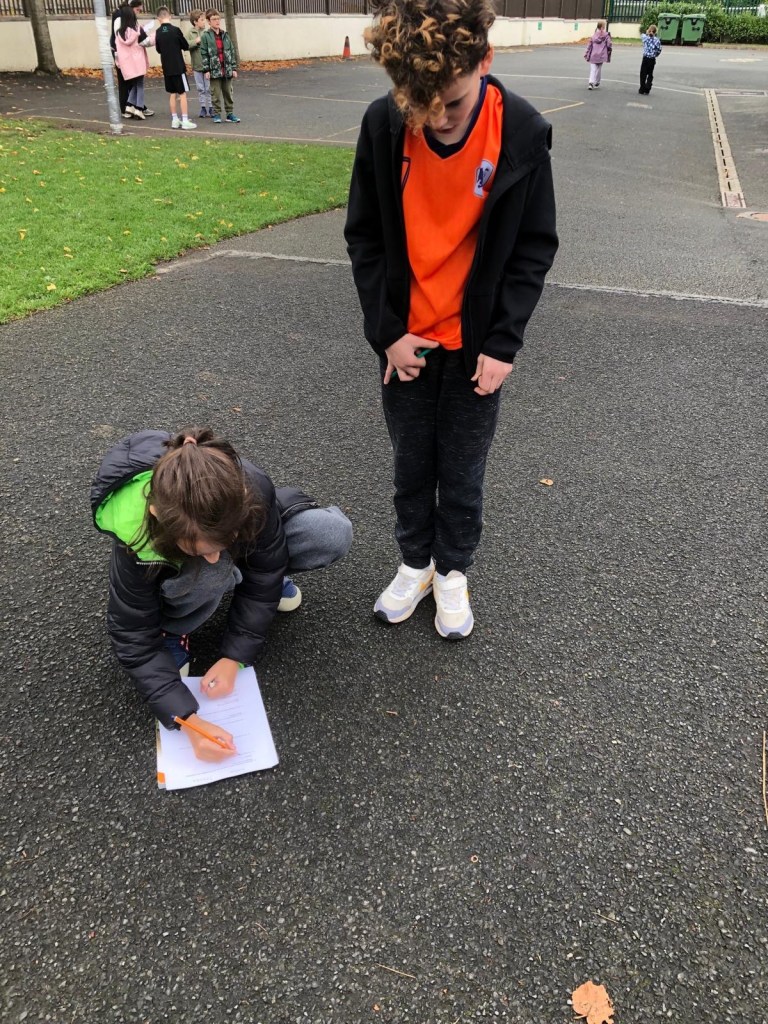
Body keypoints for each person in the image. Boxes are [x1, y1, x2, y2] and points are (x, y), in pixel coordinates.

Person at [344, 0, 558, 640]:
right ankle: (415, 564)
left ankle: (453, 572)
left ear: (485, 61)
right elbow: (365, 237)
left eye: (452, 103)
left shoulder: (522, 130)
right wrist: (387, 332)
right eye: (420, 105)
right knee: (411, 468)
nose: (435, 120)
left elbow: (533, 247)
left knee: (462, 475)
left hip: (475, 349)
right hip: (407, 345)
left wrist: (503, 343)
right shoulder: (383, 124)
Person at [91, 428, 353, 761]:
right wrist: (186, 719)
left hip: (242, 537)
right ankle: (174, 626)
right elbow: (133, 635)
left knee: (328, 533)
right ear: (158, 516)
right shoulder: (136, 540)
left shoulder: (250, 488)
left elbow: (265, 568)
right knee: (214, 571)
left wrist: (235, 657)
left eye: (224, 542)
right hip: (172, 566)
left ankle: (234, 569)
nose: (215, 556)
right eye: (201, 549)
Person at [154, 6, 196, 130]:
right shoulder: (175, 30)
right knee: (182, 93)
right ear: (170, 16)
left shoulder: (158, 32)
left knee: (172, 93)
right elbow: (185, 45)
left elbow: (158, 49)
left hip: (167, 67)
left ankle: (174, 119)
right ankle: (185, 119)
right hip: (178, 66)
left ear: (158, 18)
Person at [110, 0, 154, 119]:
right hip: (125, 54)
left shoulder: (125, 20)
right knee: (128, 82)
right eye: (137, 10)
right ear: (130, 8)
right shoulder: (121, 17)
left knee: (133, 82)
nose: (138, 13)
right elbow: (123, 37)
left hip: (124, 54)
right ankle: (131, 107)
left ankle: (132, 105)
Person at [200, 8, 240, 124]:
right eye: (214, 19)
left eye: (218, 19)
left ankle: (229, 113)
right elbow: (204, 54)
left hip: (226, 69)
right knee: (215, 94)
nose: (217, 21)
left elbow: (231, 51)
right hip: (214, 70)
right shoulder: (206, 36)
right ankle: (217, 114)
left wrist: (233, 68)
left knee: (228, 92)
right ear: (209, 21)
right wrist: (206, 70)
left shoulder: (225, 35)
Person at [186, 9, 213, 119]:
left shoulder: (207, 32)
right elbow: (185, 45)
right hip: (197, 65)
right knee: (200, 88)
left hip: (207, 66)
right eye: (201, 20)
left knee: (209, 87)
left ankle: (211, 107)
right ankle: (203, 107)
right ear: (195, 22)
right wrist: (195, 42)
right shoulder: (190, 33)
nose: (204, 22)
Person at [584, 19, 612, 90]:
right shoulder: (606, 35)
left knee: (593, 69)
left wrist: (586, 53)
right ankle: (597, 82)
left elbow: (589, 45)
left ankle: (591, 83)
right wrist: (609, 49)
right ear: (603, 27)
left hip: (593, 55)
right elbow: (609, 44)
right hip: (601, 55)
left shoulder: (593, 35)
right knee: (598, 69)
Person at [639, 24, 662, 95]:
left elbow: (642, 35)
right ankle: (648, 87)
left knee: (643, 73)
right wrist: (655, 55)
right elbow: (659, 50)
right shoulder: (657, 40)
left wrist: (647, 32)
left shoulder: (645, 38)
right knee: (650, 73)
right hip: (652, 59)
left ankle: (642, 88)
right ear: (655, 32)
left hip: (646, 58)